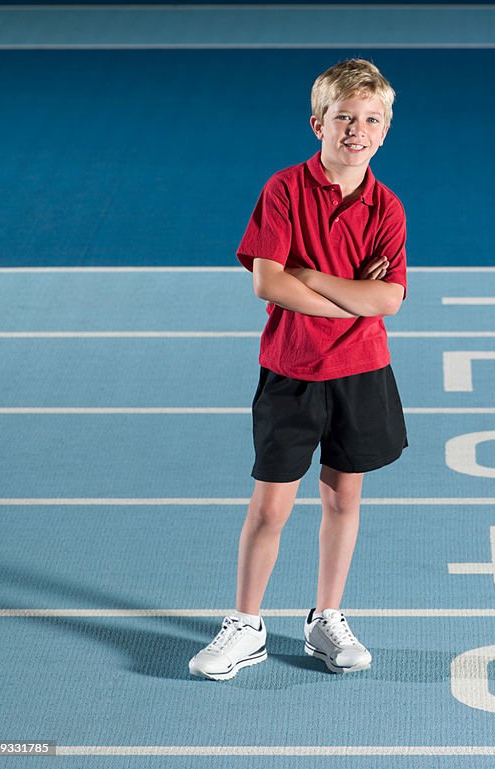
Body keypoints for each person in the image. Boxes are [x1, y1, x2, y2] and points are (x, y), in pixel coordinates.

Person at [189, 59, 407, 680]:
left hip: (362, 373)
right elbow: (268, 283)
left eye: (370, 120)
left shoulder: (387, 207)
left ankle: (326, 620)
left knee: (343, 500)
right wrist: (343, 295)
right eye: (344, 118)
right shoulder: (283, 190)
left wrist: (304, 274)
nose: (356, 130)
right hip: (291, 371)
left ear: (385, 129)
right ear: (319, 123)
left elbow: (389, 300)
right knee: (270, 508)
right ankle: (246, 624)